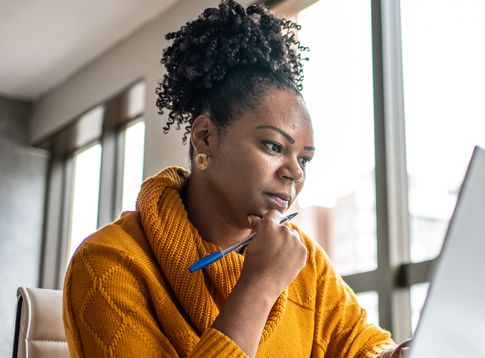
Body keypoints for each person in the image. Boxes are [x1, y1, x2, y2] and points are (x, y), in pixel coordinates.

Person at [63, 1, 409, 357]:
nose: (296, 171)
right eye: (274, 146)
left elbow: (362, 344)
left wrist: (394, 354)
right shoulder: (109, 263)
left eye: (304, 158)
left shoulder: (307, 263)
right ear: (206, 138)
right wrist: (260, 285)